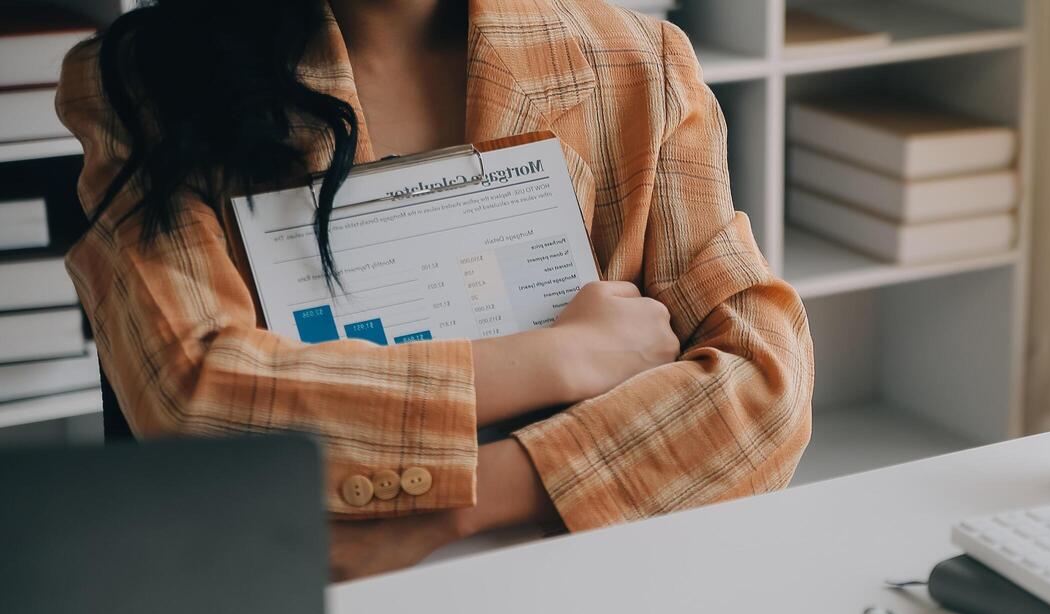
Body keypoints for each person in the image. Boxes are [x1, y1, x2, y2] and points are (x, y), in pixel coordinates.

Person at [58, 0, 814, 580]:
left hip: (595, 581)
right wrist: (561, 358)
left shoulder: (638, 62)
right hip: (298, 588)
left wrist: (460, 507)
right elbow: (198, 395)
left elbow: (766, 386)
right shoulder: (143, 80)